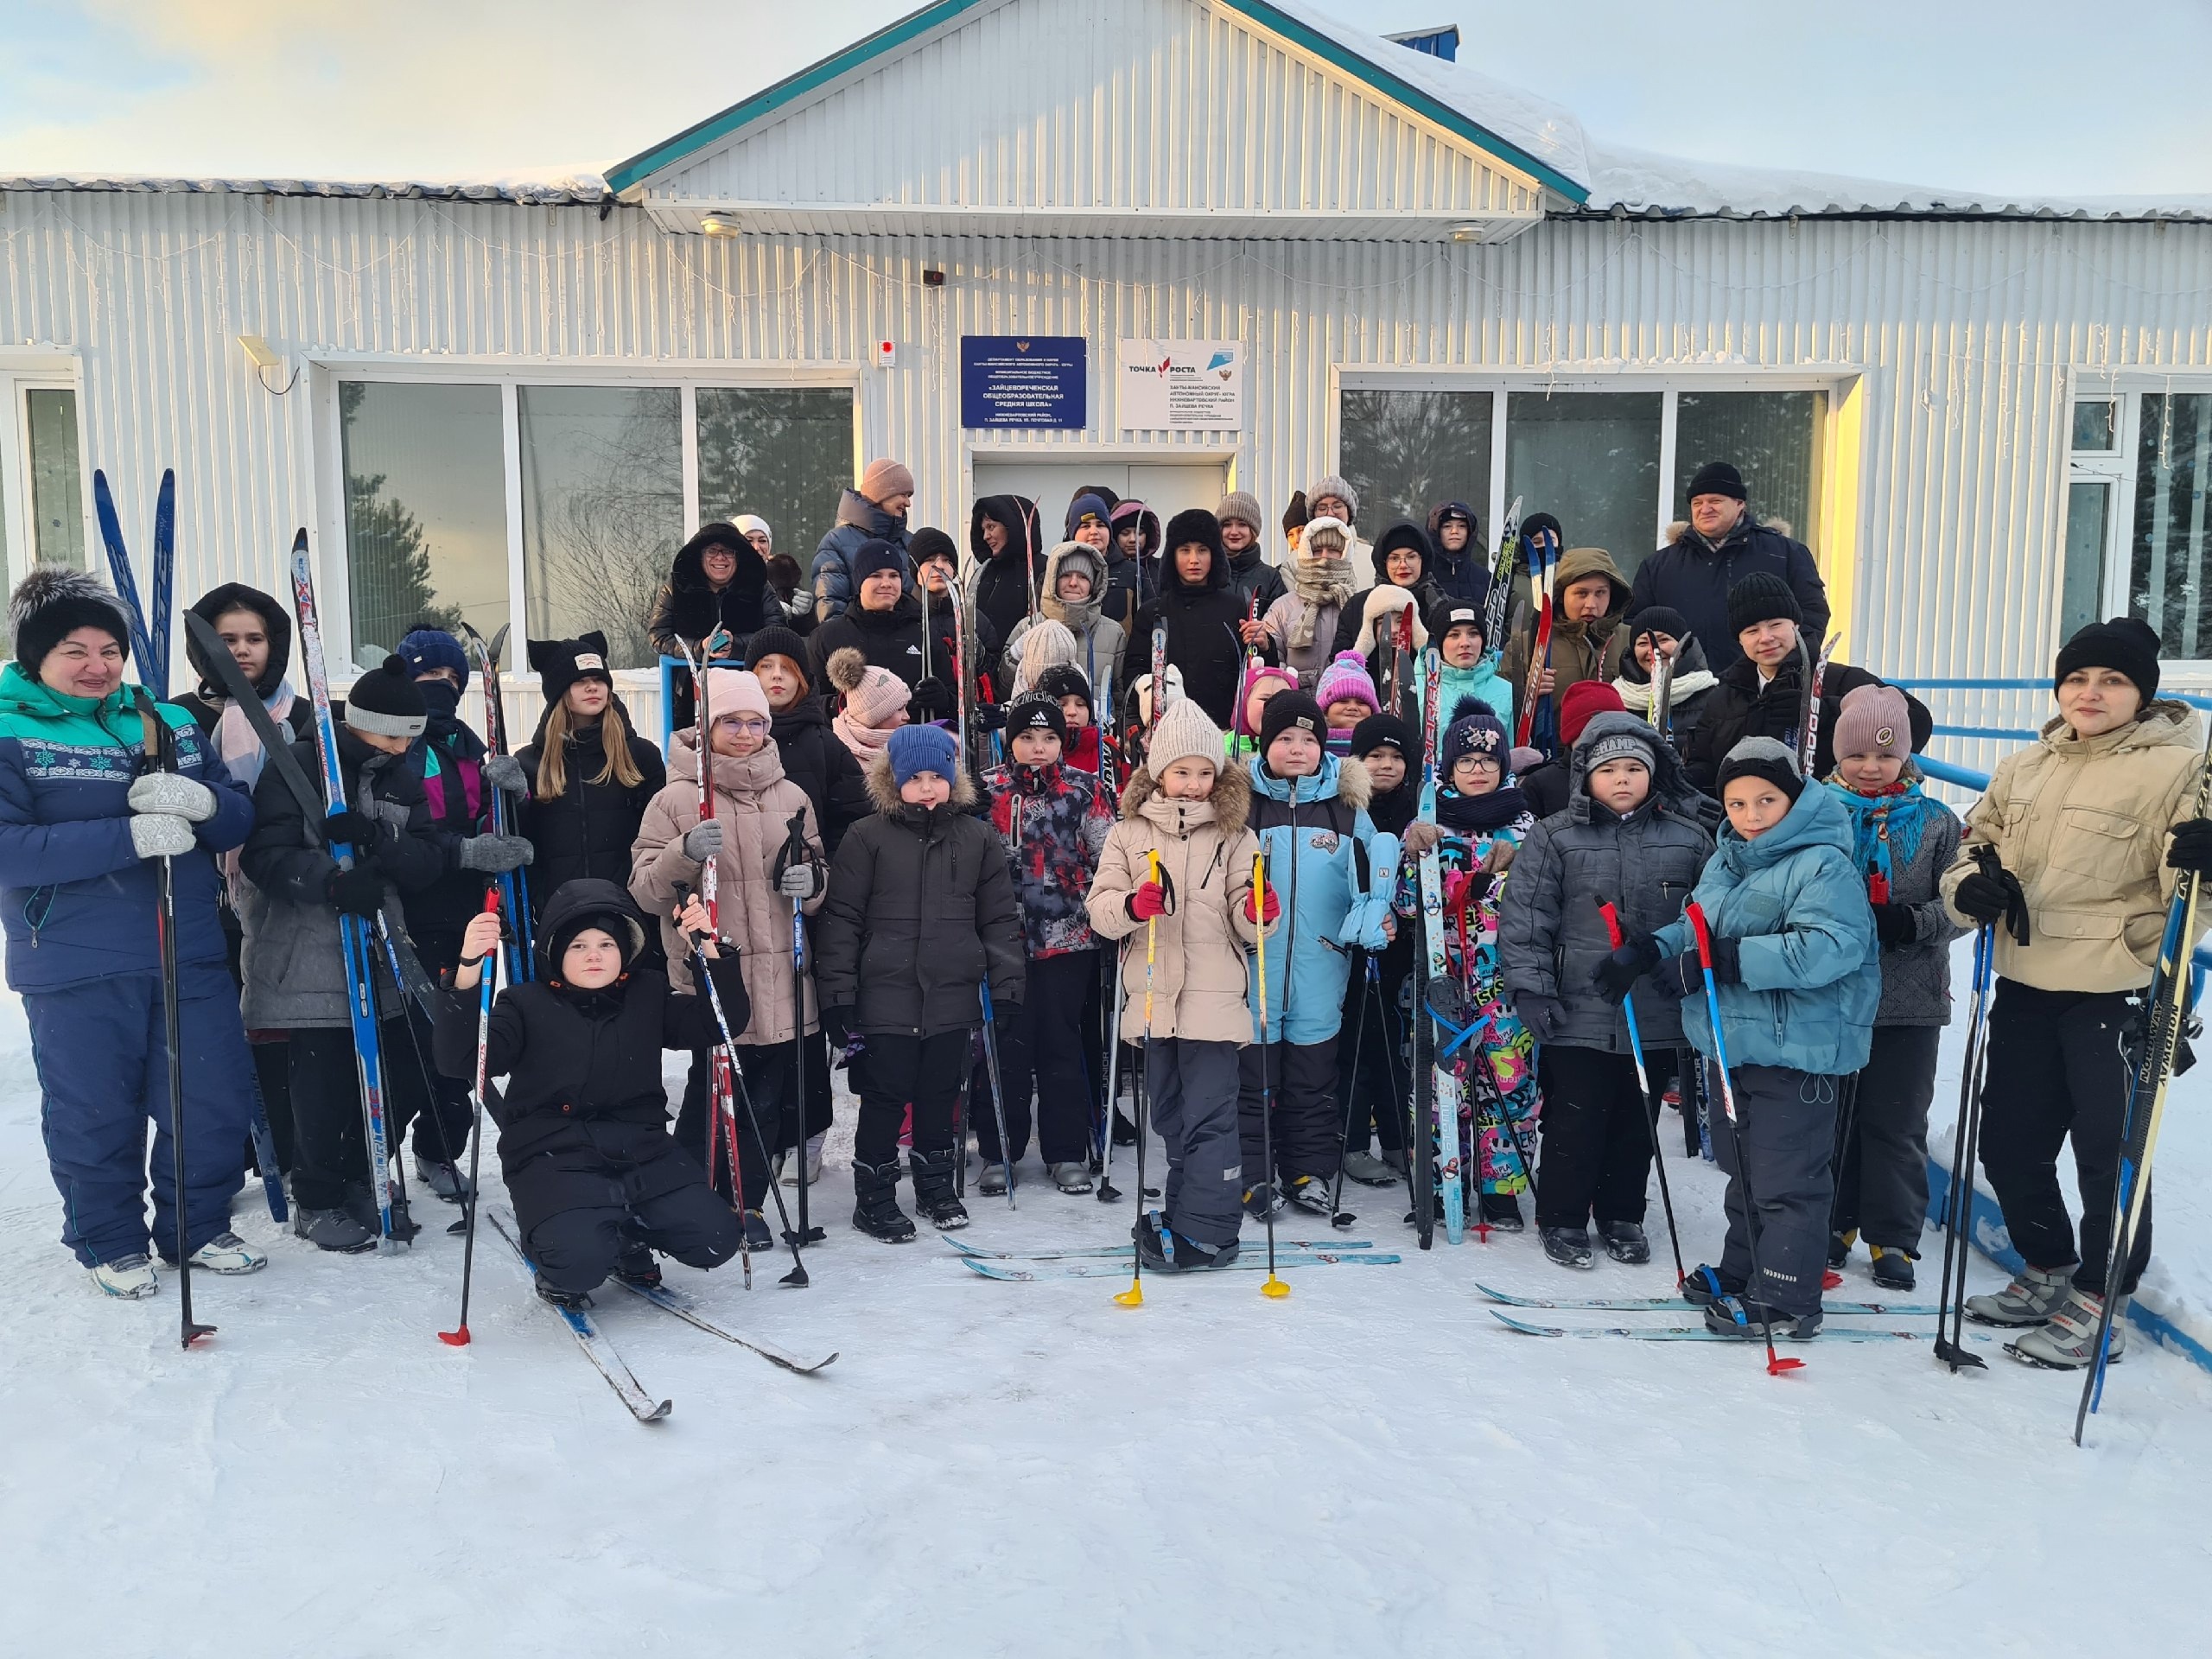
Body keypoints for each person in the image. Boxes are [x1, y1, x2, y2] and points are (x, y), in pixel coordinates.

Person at [1943, 618, 2212, 1366]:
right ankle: (2049, 1266)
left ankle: (2103, 1296)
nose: (2092, 693)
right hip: (2027, 979)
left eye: (2113, 681)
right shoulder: (2028, 764)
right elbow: (1976, 841)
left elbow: (2196, 898)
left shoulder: (2181, 772)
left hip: (2120, 989)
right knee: (2008, 1142)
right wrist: (1973, 884)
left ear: (2143, 695)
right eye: (2078, 679)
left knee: (2110, 1155)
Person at [2, 569, 265, 1295]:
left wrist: (203, 802)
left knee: (208, 1099)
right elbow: (9, 850)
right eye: (75, 651)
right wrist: (132, 834)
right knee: (96, 1110)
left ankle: (198, 1225)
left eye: (110, 650)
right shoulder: (9, 730)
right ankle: (108, 1240)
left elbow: (240, 816)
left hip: (188, 947)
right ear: (35, 660)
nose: (97, 666)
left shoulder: (168, 723)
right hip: (74, 959)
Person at [1603, 737, 1879, 1339]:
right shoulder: (1728, 860)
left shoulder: (1822, 863)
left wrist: (1726, 960)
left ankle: (1787, 1297)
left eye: (1765, 800)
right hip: (1732, 1046)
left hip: (1795, 1050)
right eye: (1736, 803)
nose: (1750, 816)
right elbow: (1696, 925)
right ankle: (1746, 1265)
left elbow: (1832, 948)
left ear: (1795, 797)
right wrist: (1651, 948)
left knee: (1788, 1178)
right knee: (1745, 1169)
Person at [435, 880, 744, 1306]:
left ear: (625, 952)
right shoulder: (523, 1004)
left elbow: (720, 1024)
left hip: (643, 1149)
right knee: (577, 1264)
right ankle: (568, 1250)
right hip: (551, 1154)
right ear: (556, 953)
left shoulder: (647, 994)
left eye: (606, 944)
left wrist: (707, 949)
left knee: (716, 1239)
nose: (594, 955)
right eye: (578, 946)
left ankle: (627, 1236)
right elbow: (463, 1059)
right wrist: (469, 967)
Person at [239, 653, 450, 1252]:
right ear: (357, 721)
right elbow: (265, 853)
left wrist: (380, 843)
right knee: (323, 1086)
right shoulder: (298, 764)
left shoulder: (400, 778)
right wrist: (328, 880)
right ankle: (317, 1195)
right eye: (388, 733)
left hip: (379, 957)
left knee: (382, 1078)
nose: (398, 747)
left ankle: (364, 1179)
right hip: (305, 957)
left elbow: (428, 859)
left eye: (408, 738)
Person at [1499, 714, 1713, 1268]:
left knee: (1635, 1118)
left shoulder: (1689, 839)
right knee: (1577, 1115)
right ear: (1586, 778)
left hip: (1656, 1009)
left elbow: (1710, 914)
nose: (1622, 779)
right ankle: (1563, 1216)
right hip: (1578, 1007)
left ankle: (1622, 1213)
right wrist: (1534, 990)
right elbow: (1527, 919)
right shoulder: (1555, 837)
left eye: (1635, 769)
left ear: (1655, 775)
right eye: (1609, 769)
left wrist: (1687, 966)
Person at [630, 666, 829, 1249]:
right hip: (713, 977)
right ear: (706, 727)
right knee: (709, 1097)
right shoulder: (675, 799)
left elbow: (817, 880)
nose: (743, 733)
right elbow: (645, 889)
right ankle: (696, 1201)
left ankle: (749, 1205)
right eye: (730, 722)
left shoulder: (791, 795)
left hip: (783, 977)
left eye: (754, 722)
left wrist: (808, 881)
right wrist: (682, 852)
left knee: (767, 1099)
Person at [814, 722, 1024, 1241]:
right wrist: (838, 995)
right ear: (895, 781)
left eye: (938, 776)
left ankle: (935, 1186)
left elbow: (998, 919)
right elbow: (842, 920)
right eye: (916, 777)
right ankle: (875, 1196)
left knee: (939, 1096)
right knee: (885, 1098)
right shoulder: (867, 838)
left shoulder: (976, 838)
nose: (927, 787)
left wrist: (1007, 985)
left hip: (951, 995)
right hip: (884, 995)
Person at [1085, 696, 1266, 1270]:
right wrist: (1134, 907)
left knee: (1210, 1117)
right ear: (1159, 772)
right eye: (1182, 772)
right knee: (1168, 1116)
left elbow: (1248, 915)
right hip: (1153, 1004)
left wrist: (1259, 911)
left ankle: (1211, 1234)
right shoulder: (1127, 834)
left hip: (1214, 1005)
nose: (1193, 784)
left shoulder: (1237, 836)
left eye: (1205, 773)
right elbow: (1101, 910)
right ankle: (1189, 1211)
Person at [1823, 685, 1965, 1293]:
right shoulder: (1816, 810)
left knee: (1897, 1119)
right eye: (1857, 756)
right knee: (1833, 1116)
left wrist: (1915, 923)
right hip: (1830, 995)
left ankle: (1893, 1235)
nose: (1871, 767)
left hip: (1910, 997)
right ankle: (1834, 1219)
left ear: (1906, 757)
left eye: (1885, 756)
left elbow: (1962, 904)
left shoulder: (1937, 823)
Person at [1240, 691, 1398, 1216]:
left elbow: (1373, 875)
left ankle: (1308, 1171)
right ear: (1265, 745)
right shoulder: (1243, 804)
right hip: (1254, 967)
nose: (1296, 749)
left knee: (1312, 1079)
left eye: (1308, 739)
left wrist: (1380, 913)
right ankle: (1254, 1174)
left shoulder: (1346, 807)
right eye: (1284, 738)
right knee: (1254, 1081)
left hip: (1321, 966)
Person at [178, 582, 315, 1175]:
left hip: (282, 891)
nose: (241, 650)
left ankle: (287, 1147)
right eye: (227, 639)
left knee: (277, 1024)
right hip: (202, 893)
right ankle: (227, 1153)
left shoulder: (304, 716)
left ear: (275, 645)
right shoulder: (177, 717)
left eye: (254, 638)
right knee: (213, 1032)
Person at [975, 696, 1116, 1193]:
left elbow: (1109, 859)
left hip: (1068, 941)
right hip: (1001, 942)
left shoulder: (1086, 791)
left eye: (1050, 738)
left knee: (1061, 1045)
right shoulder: (985, 789)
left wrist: (1094, 903)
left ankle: (1066, 1150)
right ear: (1009, 741)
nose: (1039, 748)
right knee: (1005, 1048)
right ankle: (998, 1150)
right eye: (1028, 738)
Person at [1412, 697, 1541, 1230]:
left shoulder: (1530, 829)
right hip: (1446, 980)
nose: (1478, 770)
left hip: (1506, 981)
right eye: (1466, 761)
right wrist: (1411, 855)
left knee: (1509, 1085)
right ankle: (1447, 1180)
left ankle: (1502, 1188)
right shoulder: (1429, 824)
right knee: (1448, 1079)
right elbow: (1404, 904)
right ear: (1449, 766)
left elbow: (1545, 901)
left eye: (1489, 761)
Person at [1682, 574, 1931, 791]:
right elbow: (1704, 763)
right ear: (1740, 640)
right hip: (1746, 824)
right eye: (1752, 631)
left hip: (1829, 822)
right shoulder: (1723, 697)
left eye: (1776, 625)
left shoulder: (1841, 680)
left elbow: (1916, 721)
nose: (1766, 638)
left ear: (1796, 625)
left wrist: (1830, 714)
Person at [1630, 461, 1830, 673]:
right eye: (1697, 503)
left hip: (1764, 688)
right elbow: (1636, 627)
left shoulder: (1785, 553)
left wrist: (1789, 667)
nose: (1705, 509)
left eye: (1715, 501)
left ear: (1739, 503)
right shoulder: (1658, 565)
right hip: (1682, 690)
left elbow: (1813, 614)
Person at [514, 632, 667, 903]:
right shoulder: (529, 762)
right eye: (580, 681)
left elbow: (659, 838)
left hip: (628, 908)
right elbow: (522, 845)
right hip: (558, 911)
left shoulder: (640, 756)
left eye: (599, 680)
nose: (593, 687)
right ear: (559, 692)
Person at [1337, 713, 1419, 1185]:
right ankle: (1351, 1141)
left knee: (1396, 1046)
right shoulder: (1345, 810)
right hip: (1354, 947)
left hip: (1403, 949)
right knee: (1358, 1044)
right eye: (1374, 757)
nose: (1386, 766)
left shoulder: (1419, 809)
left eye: (1396, 757)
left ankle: (1397, 1138)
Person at [742, 626, 869, 859]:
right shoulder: (726, 741)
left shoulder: (826, 745)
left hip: (806, 887)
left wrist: (822, 874)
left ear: (803, 678)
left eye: (788, 668)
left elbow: (852, 823)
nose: (777, 675)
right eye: (766, 666)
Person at [1120, 508, 1250, 730]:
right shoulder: (1153, 612)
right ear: (1172, 555)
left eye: (1202, 550)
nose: (1194, 560)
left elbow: (1252, 670)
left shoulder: (1234, 607)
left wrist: (1263, 645)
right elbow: (1134, 673)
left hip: (1223, 730)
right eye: (1184, 550)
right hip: (1167, 729)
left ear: (1214, 555)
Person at [1501, 546, 1631, 754]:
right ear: (1561, 595)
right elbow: (1498, 704)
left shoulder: (1631, 640)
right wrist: (1526, 691)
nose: (1591, 604)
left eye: (1600, 593)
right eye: (1581, 593)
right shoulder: (1528, 643)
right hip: (1551, 758)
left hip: (1617, 757)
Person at [1003, 541, 1127, 718]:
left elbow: (1118, 696)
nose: (1074, 583)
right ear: (1053, 578)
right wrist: (1015, 657)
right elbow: (1005, 689)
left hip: (1093, 736)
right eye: (1066, 575)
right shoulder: (1028, 626)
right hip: (1038, 735)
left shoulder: (1113, 633)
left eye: (1083, 577)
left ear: (1094, 583)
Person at [805, 539, 929, 690]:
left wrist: (942, 698)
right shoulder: (827, 637)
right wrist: (835, 706)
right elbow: (809, 699)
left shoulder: (924, 634)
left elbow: (953, 695)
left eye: (893, 575)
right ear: (860, 582)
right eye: (876, 576)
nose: (886, 583)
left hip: (910, 715)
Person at [648, 521, 772, 666]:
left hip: (749, 682)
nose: (720, 558)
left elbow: (776, 634)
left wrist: (737, 645)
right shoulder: (676, 586)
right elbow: (658, 637)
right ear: (700, 557)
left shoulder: (759, 586)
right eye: (712, 551)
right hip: (690, 684)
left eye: (728, 551)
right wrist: (699, 647)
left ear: (738, 557)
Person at [912, 528, 1001, 721]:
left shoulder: (974, 619)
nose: (939, 566)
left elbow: (995, 676)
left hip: (967, 725)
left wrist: (981, 657)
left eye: (947, 560)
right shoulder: (906, 618)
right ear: (915, 568)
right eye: (930, 560)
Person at [810, 459, 913, 624]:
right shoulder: (836, 542)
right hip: (856, 647)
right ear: (882, 494)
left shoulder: (909, 542)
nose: (908, 503)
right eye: (903, 494)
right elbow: (830, 610)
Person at [1263, 514, 1357, 690]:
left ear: (1345, 553)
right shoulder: (1282, 608)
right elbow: (1271, 662)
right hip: (1296, 710)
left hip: (1346, 709)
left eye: (1333, 550)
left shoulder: (1358, 605)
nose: (1324, 557)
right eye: (1317, 550)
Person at [1611, 606, 1719, 758]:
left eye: (1663, 640)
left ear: (1683, 645)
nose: (1653, 650)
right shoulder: (1616, 699)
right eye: (1643, 643)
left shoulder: (1713, 697)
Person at [1332, 522, 1440, 659]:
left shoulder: (1439, 605)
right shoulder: (1358, 605)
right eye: (1394, 558)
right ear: (1383, 562)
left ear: (1423, 560)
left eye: (1411, 557)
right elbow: (1339, 662)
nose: (1403, 565)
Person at [1518, 682, 1625, 821]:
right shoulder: (1540, 784)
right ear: (1572, 736)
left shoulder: (1639, 775)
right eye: (1589, 733)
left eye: (1611, 732)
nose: (1601, 742)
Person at [1427, 596, 1515, 737]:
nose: (1465, 643)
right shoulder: (1419, 691)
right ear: (1439, 644)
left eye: (1473, 634)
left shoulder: (1507, 691)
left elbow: (1510, 750)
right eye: (1454, 635)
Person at [1345, 587, 1427, 728]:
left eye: (1401, 621)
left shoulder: (1426, 668)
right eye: (1383, 623)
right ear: (1370, 628)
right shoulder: (1357, 674)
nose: (1394, 630)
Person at [969, 493, 1043, 644]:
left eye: (991, 527)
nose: (985, 536)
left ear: (1012, 526)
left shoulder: (1043, 569)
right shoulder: (983, 573)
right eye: (983, 530)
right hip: (985, 665)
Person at [824, 646, 911, 766]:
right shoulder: (835, 755)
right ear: (874, 717)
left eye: (905, 707)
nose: (907, 716)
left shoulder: (916, 749)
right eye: (899, 709)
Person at [1217, 491, 1286, 632]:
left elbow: (1280, 631)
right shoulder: (1208, 571)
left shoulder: (1271, 577)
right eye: (1227, 524)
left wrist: (1265, 640)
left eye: (1242, 524)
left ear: (1253, 530)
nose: (1234, 532)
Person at [1306, 473, 1373, 588]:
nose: (1330, 513)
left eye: (1337, 506)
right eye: (1322, 508)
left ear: (1349, 512)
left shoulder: (1372, 558)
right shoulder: (1294, 562)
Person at [1104, 499, 1159, 631]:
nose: (1133, 539)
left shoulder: (1161, 568)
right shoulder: (1104, 569)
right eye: (1125, 533)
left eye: (1139, 533)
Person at [1229, 661, 1298, 764]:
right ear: (1243, 702)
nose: (1274, 706)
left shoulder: (1298, 751)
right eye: (1265, 699)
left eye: (1283, 700)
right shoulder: (1218, 747)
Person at [1315, 651, 1382, 756]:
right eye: (1343, 701)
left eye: (1361, 703)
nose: (1352, 707)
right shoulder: (1309, 746)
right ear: (1325, 710)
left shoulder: (1385, 746)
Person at [1427, 500, 1489, 607]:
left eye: (1461, 526)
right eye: (1447, 526)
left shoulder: (1485, 578)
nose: (1454, 531)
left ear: (1470, 532)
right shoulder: (1425, 575)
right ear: (1436, 531)